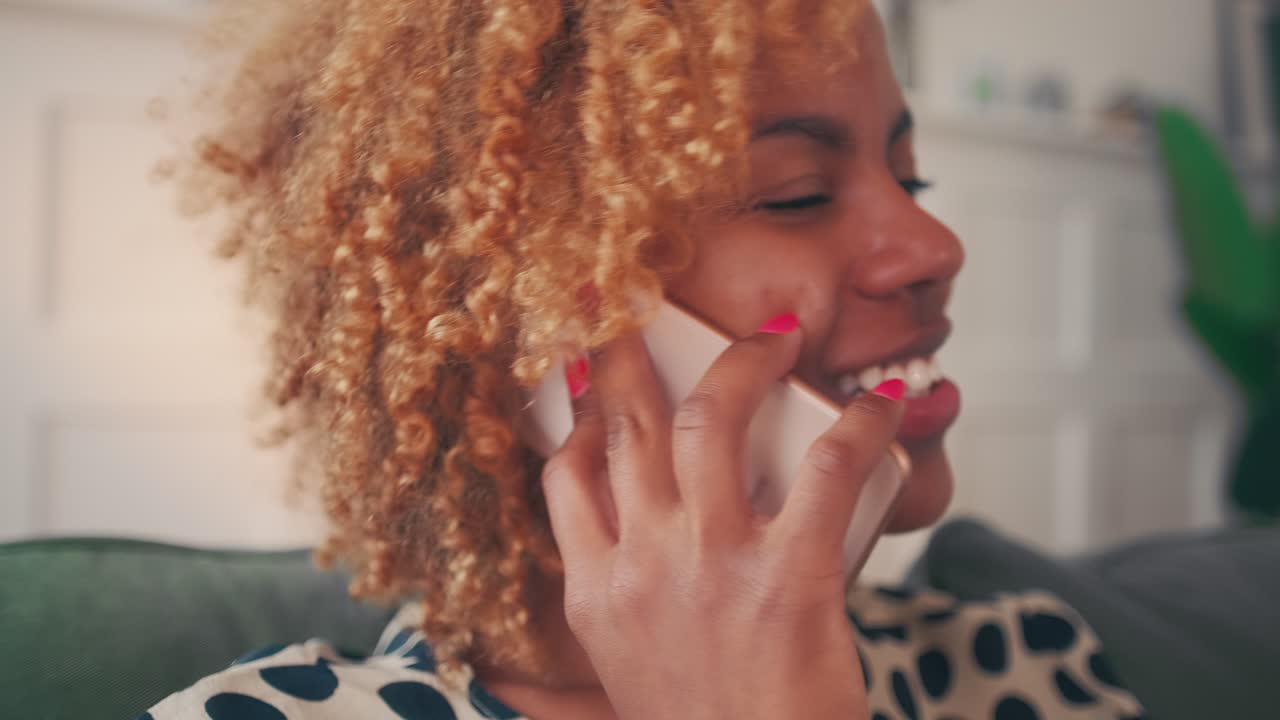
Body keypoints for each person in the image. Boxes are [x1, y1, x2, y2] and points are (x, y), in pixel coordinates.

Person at [147, 0, 1148, 717]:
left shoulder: (1015, 665)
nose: (935, 248)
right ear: (532, 322)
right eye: (794, 193)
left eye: (907, 171)